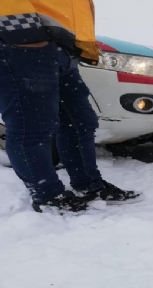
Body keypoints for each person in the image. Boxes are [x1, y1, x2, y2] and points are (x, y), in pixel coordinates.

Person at [0, 0, 142, 213]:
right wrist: (23, 33)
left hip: (59, 48)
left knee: (80, 121)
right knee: (31, 127)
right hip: (22, 44)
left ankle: (88, 185)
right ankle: (47, 195)